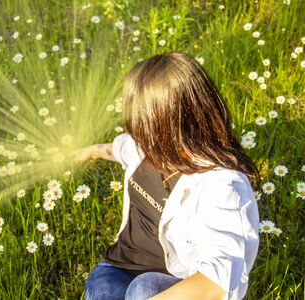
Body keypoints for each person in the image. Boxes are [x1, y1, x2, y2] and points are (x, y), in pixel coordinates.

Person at [74, 52, 260, 300]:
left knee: (144, 288)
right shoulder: (145, 147)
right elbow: (117, 149)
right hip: (118, 267)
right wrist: (89, 152)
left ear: (167, 125)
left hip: (176, 281)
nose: (137, 134)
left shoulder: (222, 186)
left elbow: (218, 281)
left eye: (142, 124)